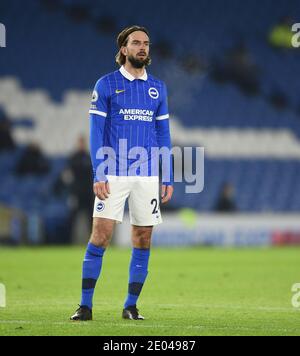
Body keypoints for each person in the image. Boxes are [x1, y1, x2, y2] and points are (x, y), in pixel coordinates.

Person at [70, 25, 174, 321]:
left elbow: (163, 133)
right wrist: (98, 173)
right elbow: (96, 132)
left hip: (147, 173)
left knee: (142, 236)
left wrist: (166, 176)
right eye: (136, 43)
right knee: (101, 235)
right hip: (113, 171)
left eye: (146, 43)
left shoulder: (158, 88)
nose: (143, 47)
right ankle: (85, 306)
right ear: (123, 49)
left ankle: (130, 306)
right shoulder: (105, 84)